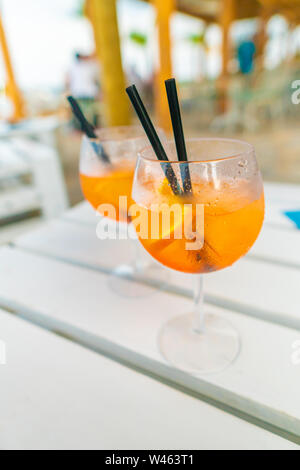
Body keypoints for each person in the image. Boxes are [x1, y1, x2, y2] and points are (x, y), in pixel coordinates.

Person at [67, 52, 101, 129]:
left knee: (87, 114)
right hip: (83, 94)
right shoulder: (88, 66)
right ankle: (86, 129)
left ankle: (88, 129)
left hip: (86, 94)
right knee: (84, 114)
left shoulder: (88, 66)